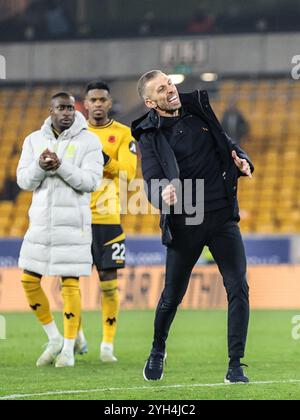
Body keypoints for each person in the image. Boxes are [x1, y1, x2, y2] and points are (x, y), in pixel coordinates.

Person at [131, 71, 254, 383]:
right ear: (150, 101)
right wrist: (163, 193)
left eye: (170, 84)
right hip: (185, 220)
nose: (170, 90)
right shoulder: (150, 136)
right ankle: (158, 348)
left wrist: (241, 158)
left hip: (222, 216)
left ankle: (235, 364)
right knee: (172, 295)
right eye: (161, 89)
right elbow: (151, 180)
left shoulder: (197, 109)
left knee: (238, 286)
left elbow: (225, 141)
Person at [17, 92, 103, 368]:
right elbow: (24, 180)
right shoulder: (33, 140)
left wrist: (61, 165)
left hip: (73, 226)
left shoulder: (89, 140)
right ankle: (53, 337)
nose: (67, 112)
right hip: (40, 223)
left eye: (70, 107)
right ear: (51, 110)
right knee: (29, 281)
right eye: (61, 108)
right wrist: (41, 167)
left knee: (70, 284)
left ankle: (68, 348)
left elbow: (90, 182)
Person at [75, 81, 137, 363]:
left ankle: (107, 346)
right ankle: (75, 335)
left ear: (109, 103)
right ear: (85, 104)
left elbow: (128, 174)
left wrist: (102, 158)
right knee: (69, 279)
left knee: (109, 280)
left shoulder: (123, 134)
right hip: (74, 216)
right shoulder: (73, 134)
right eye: (93, 100)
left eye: (102, 100)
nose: (98, 104)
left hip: (107, 218)